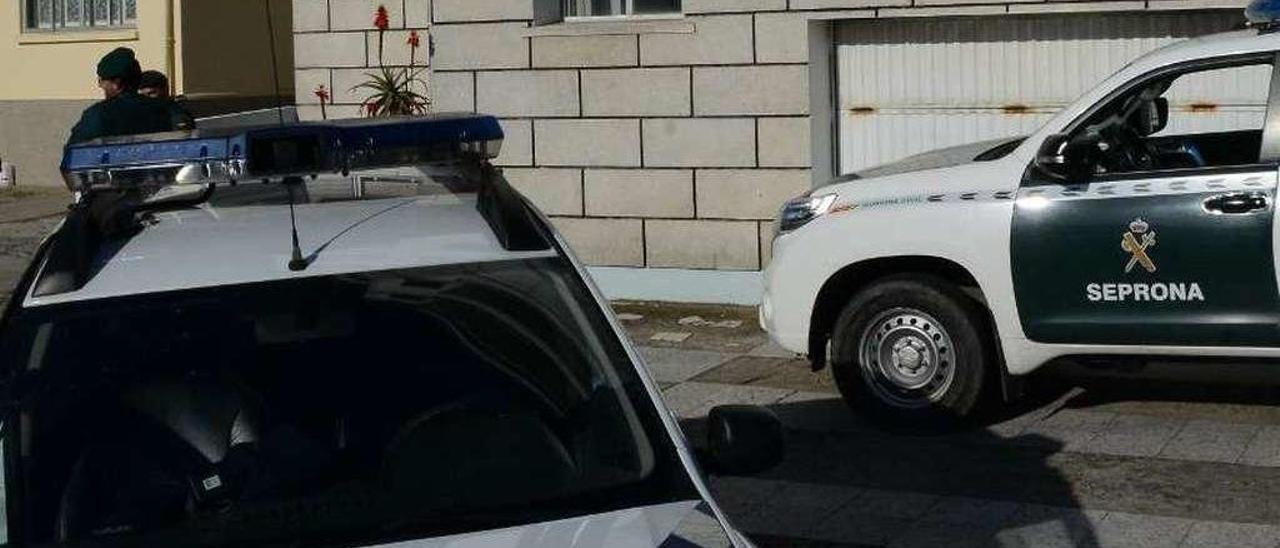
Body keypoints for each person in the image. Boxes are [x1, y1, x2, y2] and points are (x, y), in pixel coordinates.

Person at [66, 48, 176, 145]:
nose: (100, 85)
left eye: (102, 80)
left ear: (116, 83)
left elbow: (73, 155)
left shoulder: (99, 114)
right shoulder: (165, 109)